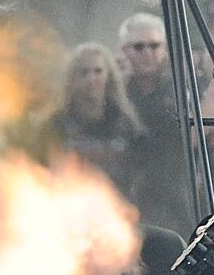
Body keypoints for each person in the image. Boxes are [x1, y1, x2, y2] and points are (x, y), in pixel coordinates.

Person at [119, 12, 193, 234]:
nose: (147, 53)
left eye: (154, 46)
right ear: (125, 51)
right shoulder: (118, 91)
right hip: (129, 195)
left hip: (178, 196)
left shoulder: (181, 87)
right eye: (139, 47)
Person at [41, 42, 144, 198]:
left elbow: (138, 175)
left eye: (98, 71)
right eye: (84, 72)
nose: (92, 78)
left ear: (108, 75)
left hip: (117, 213)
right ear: (73, 78)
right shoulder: (56, 124)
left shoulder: (126, 124)